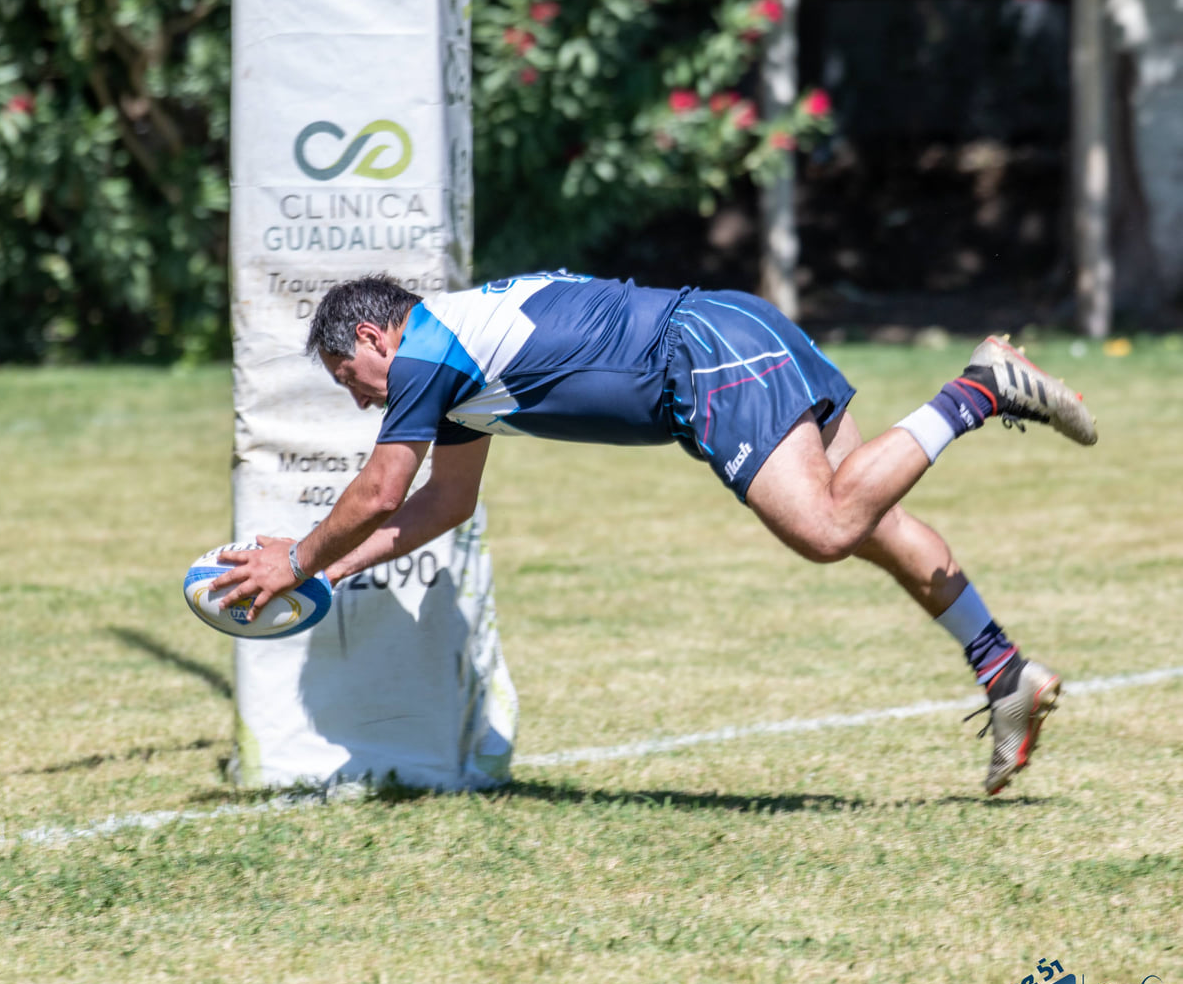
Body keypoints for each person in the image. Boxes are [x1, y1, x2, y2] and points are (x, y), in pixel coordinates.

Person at [212, 272, 1097, 795]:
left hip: (699, 352)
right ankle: (1003, 668)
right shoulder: (454, 357)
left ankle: (981, 387)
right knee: (868, 517)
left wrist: (293, 557)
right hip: (728, 325)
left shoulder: (423, 351)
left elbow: (377, 491)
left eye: (349, 377)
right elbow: (439, 506)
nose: (361, 395)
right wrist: (320, 578)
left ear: (372, 334)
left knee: (826, 528)